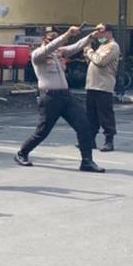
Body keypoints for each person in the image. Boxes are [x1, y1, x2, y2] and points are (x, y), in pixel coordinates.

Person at [15, 25, 105, 173]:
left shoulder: (58, 53)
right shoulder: (38, 54)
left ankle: (87, 161)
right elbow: (51, 47)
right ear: (44, 39)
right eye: (52, 37)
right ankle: (22, 153)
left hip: (65, 96)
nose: (56, 41)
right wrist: (66, 35)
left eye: (56, 37)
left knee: (84, 126)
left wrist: (92, 36)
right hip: (50, 97)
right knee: (42, 131)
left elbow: (75, 47)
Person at [84, 24, 120, 152]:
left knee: (105, 114)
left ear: (109, 32)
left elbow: (100, 61)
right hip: (92, 84)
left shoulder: (112, 46)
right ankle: (90, 140)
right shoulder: (101, 46)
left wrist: (89, 51)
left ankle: (109, 141)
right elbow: (92, 61)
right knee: (91, 115)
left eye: (100, 31)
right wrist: (88, 53)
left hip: (103, 86)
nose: (98, 33)